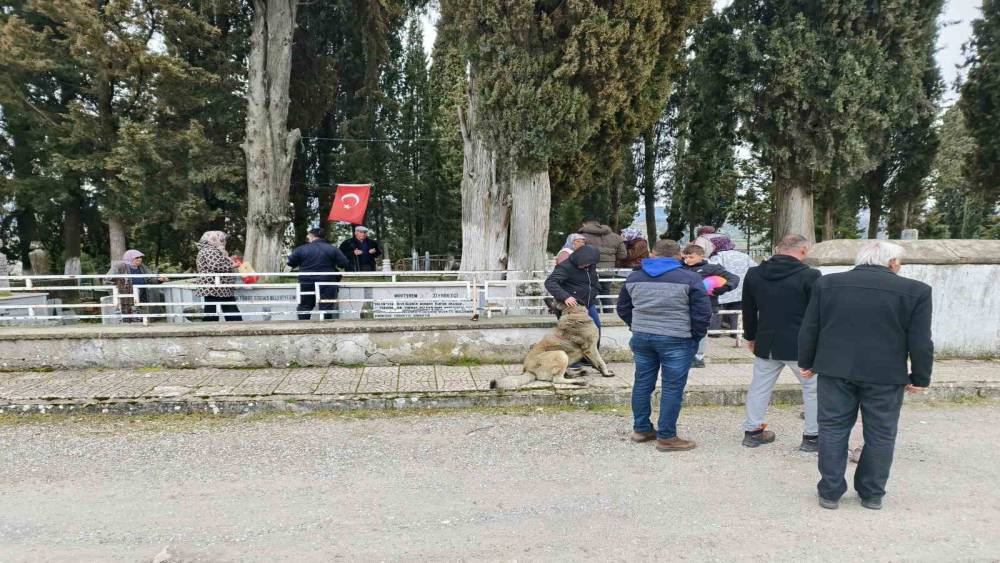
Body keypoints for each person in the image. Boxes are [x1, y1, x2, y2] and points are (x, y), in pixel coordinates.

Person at [799, 240, 933, 511]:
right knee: (881, 433)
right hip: (885, 374)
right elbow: (920, 339)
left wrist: (807, 361)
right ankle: (872, 493)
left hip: (835, 369)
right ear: (892, 262)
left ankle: (830, 491)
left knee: (832, 429)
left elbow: (810, 326)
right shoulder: (915, 290)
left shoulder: (828, 284)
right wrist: (920, 376)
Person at [617, 239, 712, 452]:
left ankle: (641, 429)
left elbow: (622, 308)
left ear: (652, 254)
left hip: (642, 337)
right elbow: (702, 313)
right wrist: (695, 336)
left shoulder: (634, 277)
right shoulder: (690, 278)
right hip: (677, 338)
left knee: (642, 383)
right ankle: (667, 437)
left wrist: (636, 326)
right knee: (672, 387)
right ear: (679, 256)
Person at [740, 234, 822, 452]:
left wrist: (751, 336)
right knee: (813, 389)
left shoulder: (754, 273)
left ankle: (753, 431)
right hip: (800, 344)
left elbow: (748, 309)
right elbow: (816, 314)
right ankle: (812, 437)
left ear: (778, 248)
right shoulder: (810, 275)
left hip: (766, 340)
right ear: (803, 250)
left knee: (759, 386)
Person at [543, 245, 604, 376]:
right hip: (569, 307)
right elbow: (550, 283)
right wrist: (565, 296)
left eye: (588, 264)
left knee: (596, 327)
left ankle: (590, 358)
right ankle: (572, 361)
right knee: (569, 336)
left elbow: (593, 281)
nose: (586, 265)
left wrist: (596, 290)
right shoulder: (565, 267)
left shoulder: (590, 266)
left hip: (588, 303)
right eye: (584, 264)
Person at [681, 243, 739, 368]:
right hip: (684, 305)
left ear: (701, 256)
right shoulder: (681, 267)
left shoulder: (712, 268)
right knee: (684, 331)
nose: (687, 260)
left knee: (701, 332)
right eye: (685, 257)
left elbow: (734, 278)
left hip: (706, 305)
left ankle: (698, 358)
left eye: (691, 257)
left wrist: (724, 288)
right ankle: (684, 356)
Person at [288, 228, 350, 320]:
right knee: (326, 306)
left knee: (305, 306)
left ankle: (303, 325)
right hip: (327, 281)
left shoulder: (301, 249)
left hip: (306, 281)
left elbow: (291, 263)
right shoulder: (333, 249)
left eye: (308, 236)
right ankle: (325, 326)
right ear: (324, 237)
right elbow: (344, 263)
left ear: (312, 236)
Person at [707, 234, 757, 333]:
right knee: (737, 312)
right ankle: (736, 332)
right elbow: (755, 267)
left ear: (718, 245)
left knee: (717, 311)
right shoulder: (744, 255)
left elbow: (712, 270)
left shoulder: (717, 257)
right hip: (740, 289)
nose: (712, 247)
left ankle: (714, 332)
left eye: (713, 245)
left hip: (723, 288)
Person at [577, 217, 626, 312]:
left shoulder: (581, 237)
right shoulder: (616, 237)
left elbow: (577, 253)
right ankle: (609, 315)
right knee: (606, 292)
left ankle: (596, 316)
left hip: (590, 270)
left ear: (585, 224)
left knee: (592, 293)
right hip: (608, 270)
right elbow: (622, 255)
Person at [196, 231, 243, 322]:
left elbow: (219, 263)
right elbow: (216, 266)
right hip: (215, 287)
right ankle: (234, 326)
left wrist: (230, 260)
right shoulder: (209, 250)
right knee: (215, 313)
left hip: (220, 287)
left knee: (221, 311)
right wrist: (232, 265)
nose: (225, 242)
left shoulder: (212, 249)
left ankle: (235, 326)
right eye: (222, 239)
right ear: (215, 240)